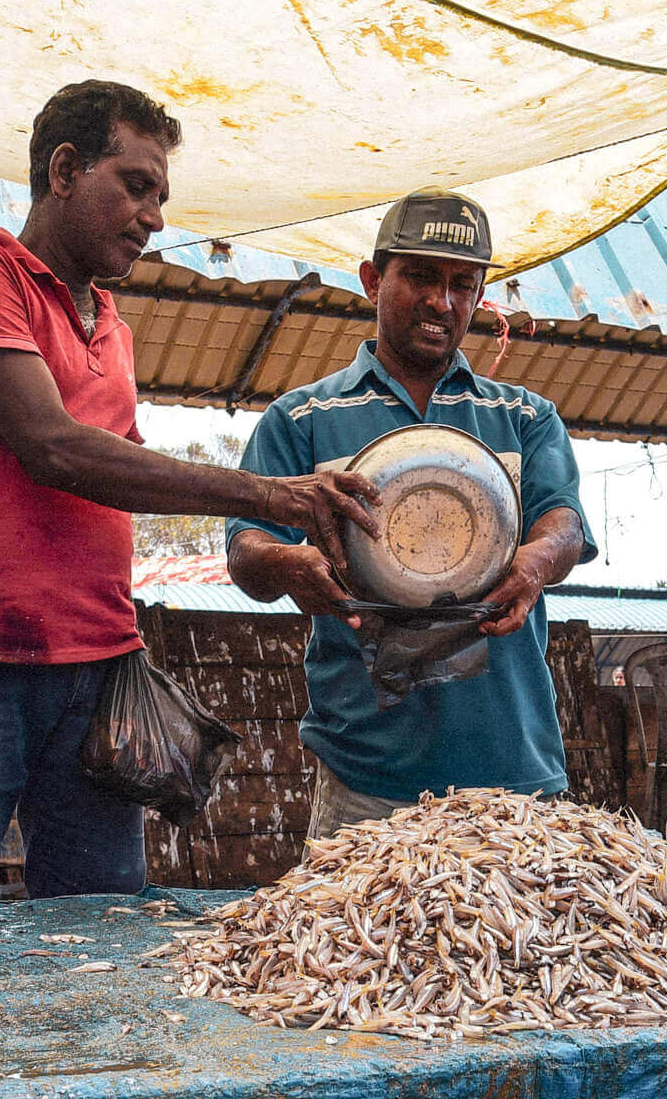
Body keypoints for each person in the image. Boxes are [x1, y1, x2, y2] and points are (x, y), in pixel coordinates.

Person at [0, 79, 380, 905]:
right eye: (137, 186)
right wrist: (270, 495)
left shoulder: (110, 324)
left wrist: (283, 550)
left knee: (102, 913)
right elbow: (53, 449)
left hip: (100, 660)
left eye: (162, 197)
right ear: (66, 169)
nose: (153, 216)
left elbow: (124, 466)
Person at [227, 189, 595, 846]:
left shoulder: (525, 418)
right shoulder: (300, 421)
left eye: (462, 285)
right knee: (349, 947)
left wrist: (535, 563)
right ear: (373, 280)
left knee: (515, 950)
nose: (442, 301)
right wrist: (291, 562)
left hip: (514, 777)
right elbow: (246, 553)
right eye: (420, 277)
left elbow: (563, 525)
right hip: (366, 780)